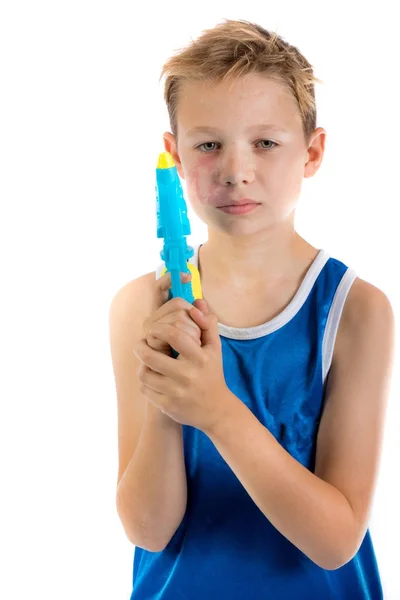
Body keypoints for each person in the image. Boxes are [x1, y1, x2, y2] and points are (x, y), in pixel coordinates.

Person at [109, 19, 395, 599]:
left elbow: (336, 540)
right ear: (175, 156)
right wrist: (171, 398)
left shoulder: (356, 311)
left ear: (312, 152)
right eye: (208, 144)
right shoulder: (140, 307)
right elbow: (147, 528)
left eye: (265, 143)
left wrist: (216, 410)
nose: (236, 170)